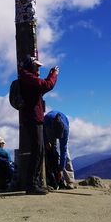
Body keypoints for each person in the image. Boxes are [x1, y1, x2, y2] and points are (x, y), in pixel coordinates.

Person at [18, 55, 58, 195]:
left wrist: (49, 75)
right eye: (36, 66)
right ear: (30, 65)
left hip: (34, 117)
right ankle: (32, 185)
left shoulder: (27, 77)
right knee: (37, 151)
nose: (38, 68)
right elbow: (47, 85)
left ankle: (34, 183)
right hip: (33, 118)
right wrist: (53, 74)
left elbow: (43, 86)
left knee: (39, 151)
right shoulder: (27, 77)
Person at [44, 110, 72, 189]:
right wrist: (46, 141)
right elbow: (42, 130)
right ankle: (54, 179)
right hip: (48, 127)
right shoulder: (46, 119)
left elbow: (63, 149)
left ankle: (70, 181)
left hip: (63, 122)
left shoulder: (65, 130)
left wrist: (61, 169)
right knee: (52, 152)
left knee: (66, 153)